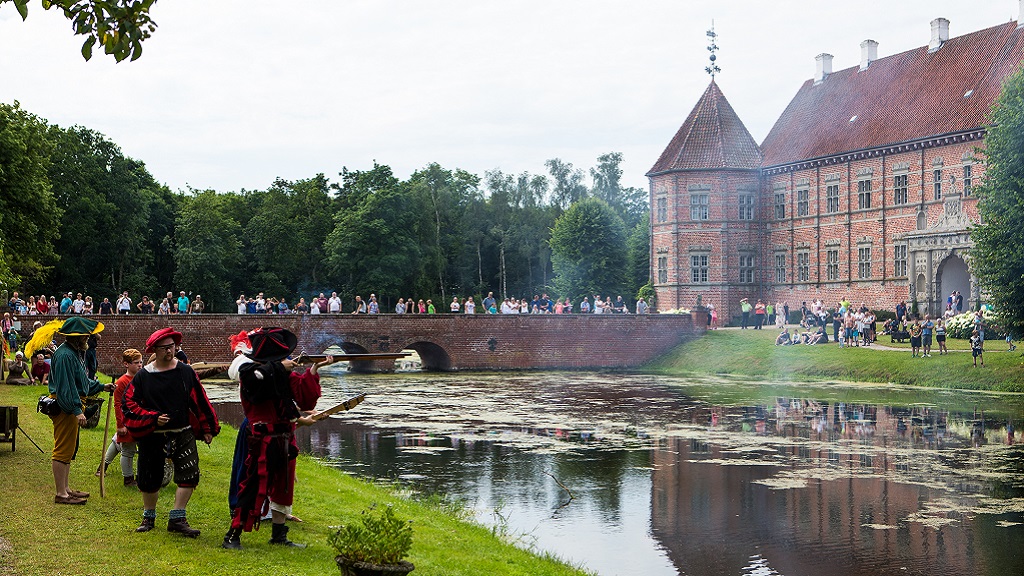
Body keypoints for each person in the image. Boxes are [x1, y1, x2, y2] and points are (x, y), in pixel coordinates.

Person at [222, 328, 333, 550]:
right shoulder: (251, 372)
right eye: (283, 357)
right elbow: (256, 386)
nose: (288, 360)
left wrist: (313, 370)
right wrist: (278, 367)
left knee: (283, 486)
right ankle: (232, 536)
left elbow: (304, 400)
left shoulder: (282, 374)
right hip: (262, 439)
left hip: (284, 438)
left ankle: (279, 535)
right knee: (252, 486)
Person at [123, 328, 220, 536]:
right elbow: (129, 404)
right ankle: (148, 517)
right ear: (155, 350)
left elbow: (199, 399)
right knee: (149, 478)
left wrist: (207, 428)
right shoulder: (143, 376)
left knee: (189, 473)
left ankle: (178, 517)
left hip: (182, 431)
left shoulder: (185, 372)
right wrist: (152, 418)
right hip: (153, 435)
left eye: (173, 347)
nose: (170, 351)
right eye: (165, 348)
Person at [42, 317, 114, 504]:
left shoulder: (74, 353)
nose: (89, 339)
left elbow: (81, 382)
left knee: (69, 449)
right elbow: (67, 388)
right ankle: (61, 494)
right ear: (78, 337)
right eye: (86, 336)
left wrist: (101, 386)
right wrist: (76, 410)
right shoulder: (66, 355)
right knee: (62, 449)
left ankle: (66, 489)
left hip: (70, 405)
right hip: (65, 407)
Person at [97, 349, 144, 487]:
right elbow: (118, 404)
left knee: (120, 443)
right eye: (136, 363)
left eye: (141, 362)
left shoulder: (142, 378)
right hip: (128, 421)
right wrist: (121, 425)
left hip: (140, 420)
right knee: (127, 448)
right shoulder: (122, 382)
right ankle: (128, 479)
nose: (140, 365)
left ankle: (103, 466)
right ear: (126, 364)